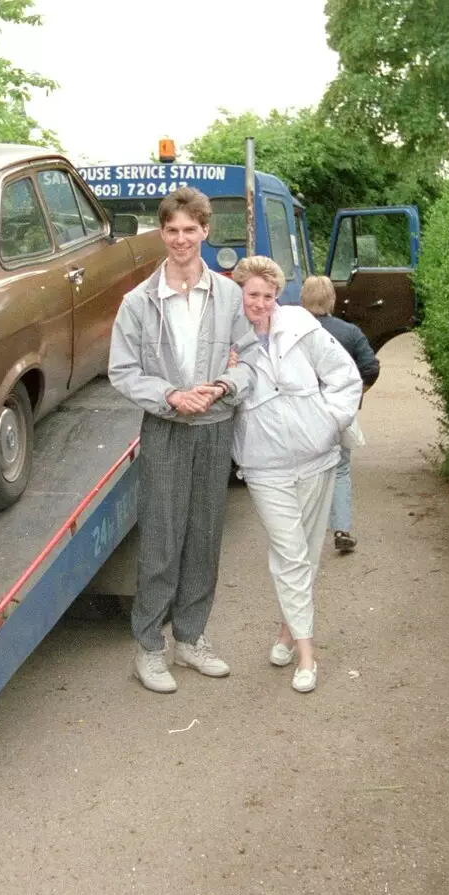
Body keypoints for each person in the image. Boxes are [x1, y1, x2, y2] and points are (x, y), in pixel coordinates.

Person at [109, 186, 257, 694]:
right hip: (167, 430)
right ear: (162, 233)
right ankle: (149, 649)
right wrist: (171, 395)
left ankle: (190, 639)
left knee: (205, 536)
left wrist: (223, 386)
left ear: (205, 231)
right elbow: (122, 371)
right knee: (161, 541)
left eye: (190, 230)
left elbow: (253, 358)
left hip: (215, 429)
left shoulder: (231, 295)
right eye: (171, 230)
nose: (180, 239)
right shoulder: (138, 302)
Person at [231, 257, 362, 693]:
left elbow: (345, 375)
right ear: (240, 293)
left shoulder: (302, 327)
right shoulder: (226, 336)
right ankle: (308, 654)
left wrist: (330, 421)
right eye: (253, 295)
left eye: (268, 295)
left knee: (305, 551)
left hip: (317, 457)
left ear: (279, 296)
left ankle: (287, 632)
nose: (261, 304)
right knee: (290, 553)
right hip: (264, 465)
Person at [298, 275, 380, 556]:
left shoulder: (290, 332)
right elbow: (370, 368)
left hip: (300, 414)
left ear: (303, 299)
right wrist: (354, 397)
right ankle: (342, 529)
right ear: (332, 299)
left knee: (301, 472)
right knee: (341, 468)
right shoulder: (350, 332)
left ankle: (302, 533)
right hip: (339, 415)